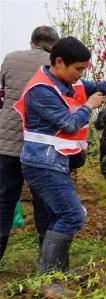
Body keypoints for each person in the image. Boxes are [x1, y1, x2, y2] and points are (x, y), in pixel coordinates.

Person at [15, 37, 106, 296]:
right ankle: (50, 282)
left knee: (51, 218)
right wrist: (89, 106)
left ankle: (54, 275)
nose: (82, 75)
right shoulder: (42, 90)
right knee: (72, 215)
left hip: (54, 161)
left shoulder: (69, 81)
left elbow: (102, 86)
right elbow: (68, 123)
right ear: (59, 62)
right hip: (43, 164)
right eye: (79, 68)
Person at [0, 26, 60, 261]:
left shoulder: (11, 58)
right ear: (54, 46)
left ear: (31, 42)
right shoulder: (57, 65)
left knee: (4, 202)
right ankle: (46, 264)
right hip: (41, 147)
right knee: (44, 204)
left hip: (7, 145)